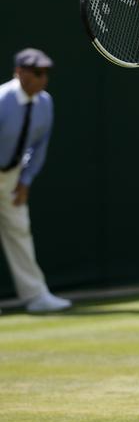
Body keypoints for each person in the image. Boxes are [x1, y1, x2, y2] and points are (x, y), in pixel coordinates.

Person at [0, 48, 71, 313]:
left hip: (11, 178)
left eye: (47, 74)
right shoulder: (1, 99)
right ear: (19, 73)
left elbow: (39, 145)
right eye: (38, 73)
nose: (44, 79)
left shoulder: (45, 103)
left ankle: (36, 296)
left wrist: (25, 179)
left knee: (19, 230)